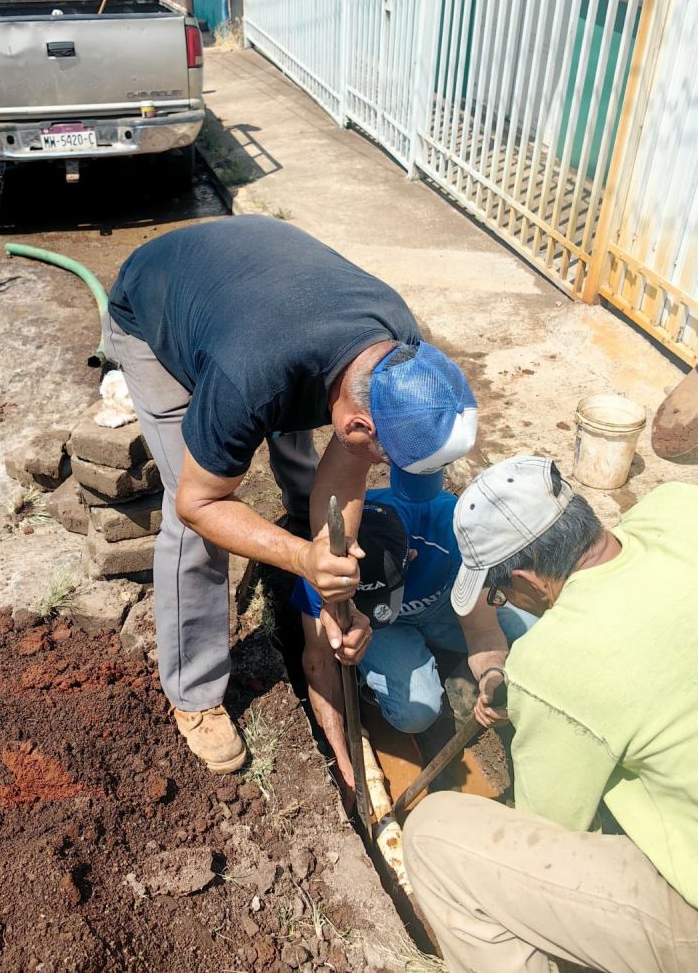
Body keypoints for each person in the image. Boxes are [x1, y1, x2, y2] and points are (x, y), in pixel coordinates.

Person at [103, 215, 478, 773]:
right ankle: (195, 694)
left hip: (261, 300)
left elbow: (345, 470)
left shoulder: (399, 346)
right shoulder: (247, 376)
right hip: (157, 309)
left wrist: (334, 598)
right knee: (195, 530)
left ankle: (304, 582)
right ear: (357, 428)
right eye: (383, 457)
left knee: (305, 474)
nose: (381, 467)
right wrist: (304, 557)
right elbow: (198, 503)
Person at [403, 455, 698, 973]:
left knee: (431, 837)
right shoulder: (679, 508)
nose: (504, 602)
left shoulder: (555, 664)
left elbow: (546, 833)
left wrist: (540, 693)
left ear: (528, 580)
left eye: (499, 594)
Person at [293, 464, 536, 803]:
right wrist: (344, 765)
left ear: (411, 555)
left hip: (446, 606)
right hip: (386, 631)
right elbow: (319, 663)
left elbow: (482, 630)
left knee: (533, 636)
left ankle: (454, 671)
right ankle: (375, 681)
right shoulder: (321, 571)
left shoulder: (452, 530)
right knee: (416, 715)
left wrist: (493, 676)